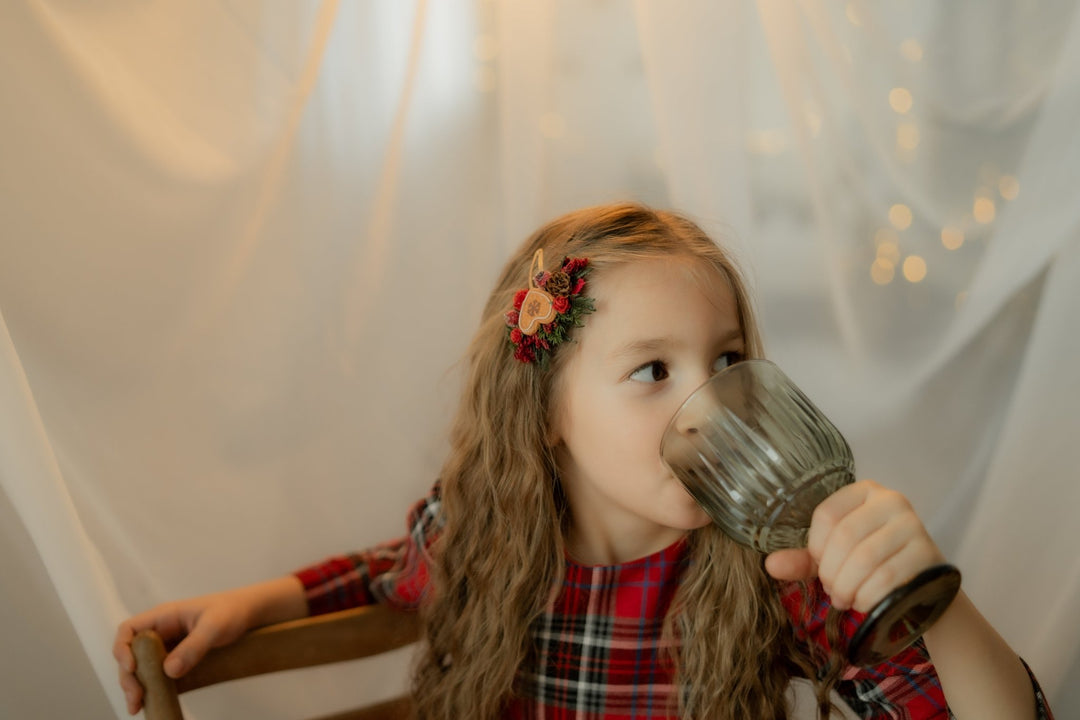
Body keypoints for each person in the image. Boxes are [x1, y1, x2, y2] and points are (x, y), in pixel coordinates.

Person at [114, 203, 1054, 719]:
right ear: (549, 414)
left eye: (728, 361)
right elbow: (396, 577)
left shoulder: (776, 569)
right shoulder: (480, 530)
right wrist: (261, 604)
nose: (709, 405)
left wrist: (939, 596)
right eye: (652, 370)